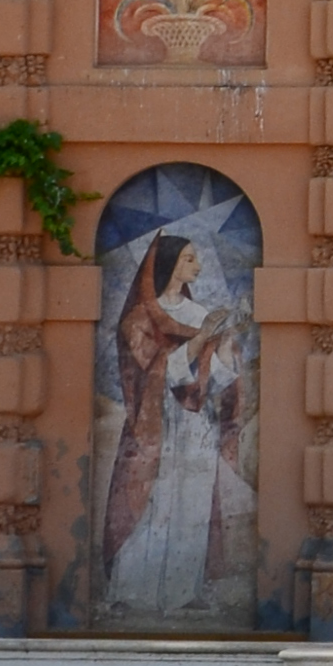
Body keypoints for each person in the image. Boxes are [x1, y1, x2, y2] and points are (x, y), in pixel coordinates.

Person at [104, 234, 202, 566]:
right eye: (189, 258)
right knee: (148, 495)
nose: (197, 265)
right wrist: (199, 343)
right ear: (169, 264)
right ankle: (135, 586)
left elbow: (214, 371)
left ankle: (182, 591)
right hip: (152, 422)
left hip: (192, 420)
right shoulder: (138, 319)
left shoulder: (199, 314)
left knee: (188, 497)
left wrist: (221, 350)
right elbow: (153, 367)